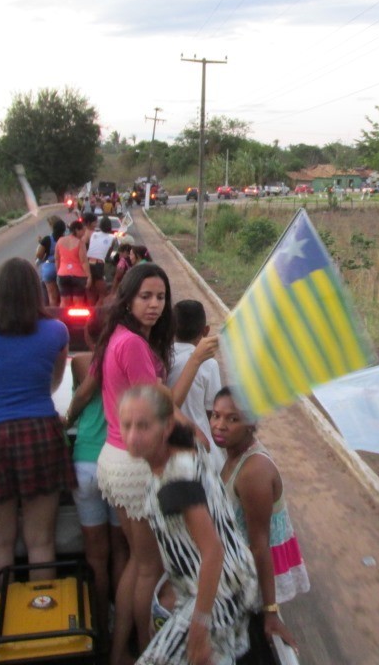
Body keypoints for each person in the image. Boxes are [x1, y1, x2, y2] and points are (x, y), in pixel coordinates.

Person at [64, 263, 218, 665]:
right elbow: (164, 405)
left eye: (161, 297)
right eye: (145, 296)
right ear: (129, 299)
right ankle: (148, 649)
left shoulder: (117, 336)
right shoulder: (132, 344)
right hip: (135, 467)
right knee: (149, 568)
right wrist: (197, 361)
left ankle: (121, 650)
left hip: (115, 458)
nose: (154, 304)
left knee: (137, 562)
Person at [119, 385, 258, 665]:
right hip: (224, 579)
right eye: (127, 425)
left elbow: (212, 551)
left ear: (166, 427)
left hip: (219, 589)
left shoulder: (175, 481)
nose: (132, 437)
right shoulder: (188, 443)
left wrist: (199, 625)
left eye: (143, 426)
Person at [0, 257, 74, 583]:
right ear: (35, 292)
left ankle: (1, 606)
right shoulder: (56, 331)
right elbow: (53, 382)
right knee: (41, 540)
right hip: (40, 433)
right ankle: (41, 606)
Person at [211, 388, 309, 656]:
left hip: (247, 573)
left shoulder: (253, 472)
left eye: (233, 419)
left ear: (251, 423)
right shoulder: (233, 454)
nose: (220, 425)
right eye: (216, 415)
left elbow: (260, 545)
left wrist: (271, 612)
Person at [63, 313, 127, 657]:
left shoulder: (82, 363)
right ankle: (122, 630)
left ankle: (99, 627)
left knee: (95, 556)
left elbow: (76, 403)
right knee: (122, 552)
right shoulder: (131, 359)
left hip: (86, 462)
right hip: (119, 464)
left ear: (89, 339)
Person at [167, 300, 224, 472]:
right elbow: (212, 410)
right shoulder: (209, 364)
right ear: (205, 330)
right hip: (200, 442)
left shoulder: (163, 357)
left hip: (168, 441)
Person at [56, 219, 89, 307]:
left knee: (64, 302)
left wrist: (58, 272)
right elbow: (84, 261)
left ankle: (62, 316)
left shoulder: (60, 241)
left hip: (63, 274)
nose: (84, 233)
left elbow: (57, 259)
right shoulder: (80, 243)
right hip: (78, 275)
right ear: (77, 230)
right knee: (78, 303)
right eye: (83, 231)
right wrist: (89, 276)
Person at [86, 215, 116, 306]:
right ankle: (96, 313)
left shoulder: (93, 234)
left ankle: (90, 311)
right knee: (103, 294)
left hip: (87, 264)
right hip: (98, 265)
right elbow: (108, 255)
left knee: (91, 293)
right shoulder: (112, 238)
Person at [36, 217, 66, 307]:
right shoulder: (67, 239)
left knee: (52, 297)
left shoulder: (47, 239)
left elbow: (39, 255)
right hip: (63, 268)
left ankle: (52, 314)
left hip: (49, 268)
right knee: (64, 297)